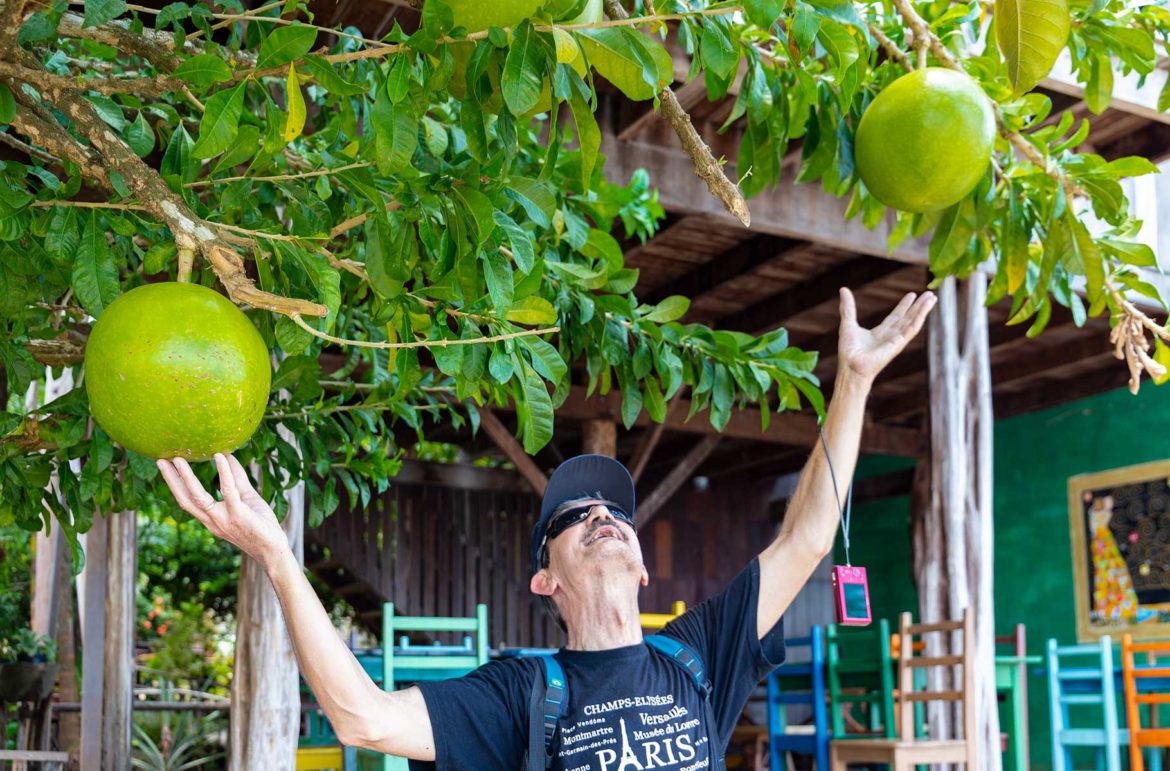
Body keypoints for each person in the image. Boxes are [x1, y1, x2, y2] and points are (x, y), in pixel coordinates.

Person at [157, 287, 936, 770]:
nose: (603, 514)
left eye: (615, 513)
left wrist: (855, 382)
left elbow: (805, 535)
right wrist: (277, 557)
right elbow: (363, 716)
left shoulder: (700, 654)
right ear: (546, 578)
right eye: (574, 516)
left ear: (640, 568)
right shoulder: (523, 692)